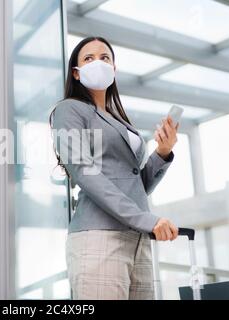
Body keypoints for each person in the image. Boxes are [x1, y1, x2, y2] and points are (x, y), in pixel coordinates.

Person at [49, 36, 179, 300]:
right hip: (99, 236)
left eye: (105, 57)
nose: (98, 63)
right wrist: (147, 220)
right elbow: (85, 172)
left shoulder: (119, 120)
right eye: (88, 58)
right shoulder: (68, 110)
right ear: (76, 72)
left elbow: (134, 185)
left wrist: (162, 153)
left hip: (137, 239)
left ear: (114, 69)